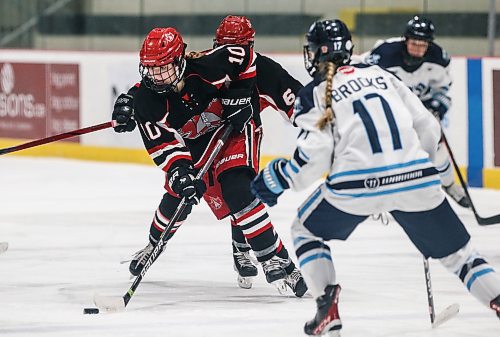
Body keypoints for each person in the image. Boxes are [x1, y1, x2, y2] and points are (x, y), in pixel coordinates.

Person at [251, 19, 500, 336]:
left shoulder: (314, 93)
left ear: (314, 54)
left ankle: (328, 314)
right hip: (417, 177)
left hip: (356, 183)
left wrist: (279, 178)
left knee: (305, 231)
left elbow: (314, 157)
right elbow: (429, 128)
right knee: (461, 258)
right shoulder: (381, 75)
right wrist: (423, 175)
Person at [112, 26, 306, 296]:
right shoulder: (147, 100)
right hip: (198, 145)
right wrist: (179, 171)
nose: (156, 77)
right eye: (150, 69)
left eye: (162, 68)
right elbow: (163, 145)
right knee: (178, 196)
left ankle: (274, 256)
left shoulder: (210, 66)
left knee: (237, 189)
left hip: (236, 131)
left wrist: (242, 91)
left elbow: (248, 59)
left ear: (179, 60)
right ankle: (153, 244)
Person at [212, 14, 304, 290]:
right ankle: (241, 244)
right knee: (224, 196)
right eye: (224, 47)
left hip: (240, 136)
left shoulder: (264, 70)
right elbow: (168, 84)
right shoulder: (205, 63)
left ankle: (268, 255)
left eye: (237, 47)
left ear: (250, 46)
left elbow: (299, 104)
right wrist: (135, 101)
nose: (231, 54)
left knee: (239, 188)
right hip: (203, 140)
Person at [362, 15, 471, 208]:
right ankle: (380, 191)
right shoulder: (384, 54)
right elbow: (362, 77)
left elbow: (443, 90)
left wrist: (436, 108)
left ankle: (449, 185)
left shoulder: (438, 58)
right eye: (415, 43)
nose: (419, 48)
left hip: (421, 109)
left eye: (424, 44)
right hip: (391, 109)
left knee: (436, 145)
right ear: (406, 40)